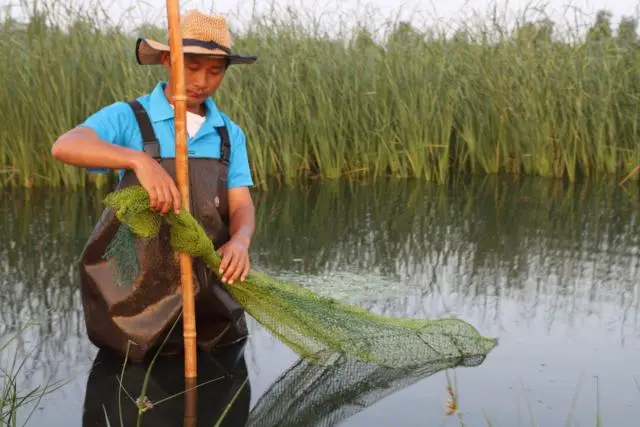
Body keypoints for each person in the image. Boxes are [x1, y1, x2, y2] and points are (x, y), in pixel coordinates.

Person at [51, 10, 258, 362]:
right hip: (134, 310)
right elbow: (65, 146)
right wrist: (139, 161)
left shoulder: (229, 133)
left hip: (210, 307)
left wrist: (240, 241)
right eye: (191, 67)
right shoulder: (131, 116)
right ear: (167, 59)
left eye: (214, 71)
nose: (202, 81)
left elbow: (241, 203)